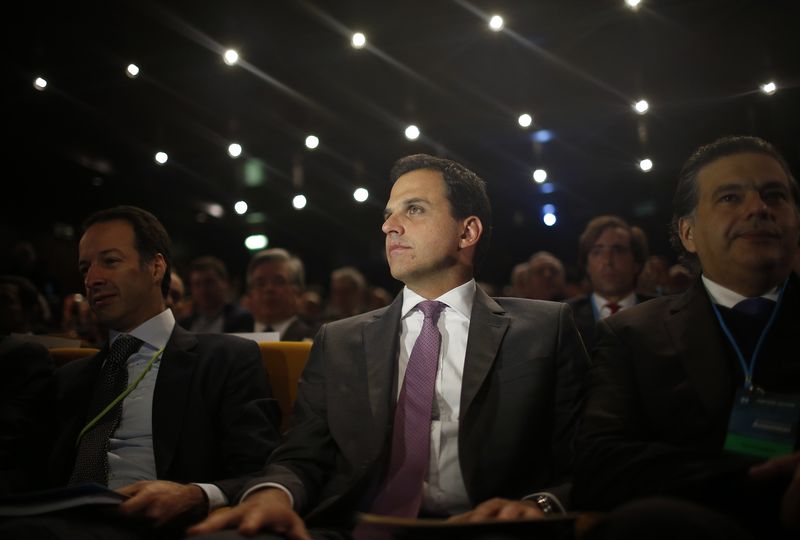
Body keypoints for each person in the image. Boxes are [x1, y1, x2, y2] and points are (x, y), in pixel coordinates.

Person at [189, 154, 587, 539]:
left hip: (490, 528)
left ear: (467, 232)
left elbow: (586, 458)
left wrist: (542, 504)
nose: (389, 227)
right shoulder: (339, 340)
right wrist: (273, 495)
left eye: (413, 210)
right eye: (387, 214)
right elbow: (301, 456)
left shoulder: (543, 329)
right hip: (355, 528)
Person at [0, 206, 282, 539]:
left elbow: (260, 469)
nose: (92, 279)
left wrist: (196, 494)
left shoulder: (226, 358)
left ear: (156, 267)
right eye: (85, 267)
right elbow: (26, 471)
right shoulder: (68, 378)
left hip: (161, 525)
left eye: (110, 261)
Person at [572, 135, 800, 538]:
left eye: (775, 195)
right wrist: (751, 480)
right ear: (688, 232)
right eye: (730, 198)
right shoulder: (630, 334)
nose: (759, 209)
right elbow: (600, 464)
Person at [567, 215, 650, 352]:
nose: (607, 261)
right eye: (597, 252)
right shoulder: (565, 318)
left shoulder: (665, 314)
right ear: (586, 265)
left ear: (637, 263)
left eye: (618, 250)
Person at [246, 248, 316, 341]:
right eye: (261, 283)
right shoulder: (233, 339)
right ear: (250, 294)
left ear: (297, 291)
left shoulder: (316, 340)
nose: (269, 289)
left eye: (279, 281)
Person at [180, 256, 253, 333]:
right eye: (197, 284)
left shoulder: (241, 319)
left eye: (209, 282)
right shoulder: (184, 323)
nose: (203, 289)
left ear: (224, 283)